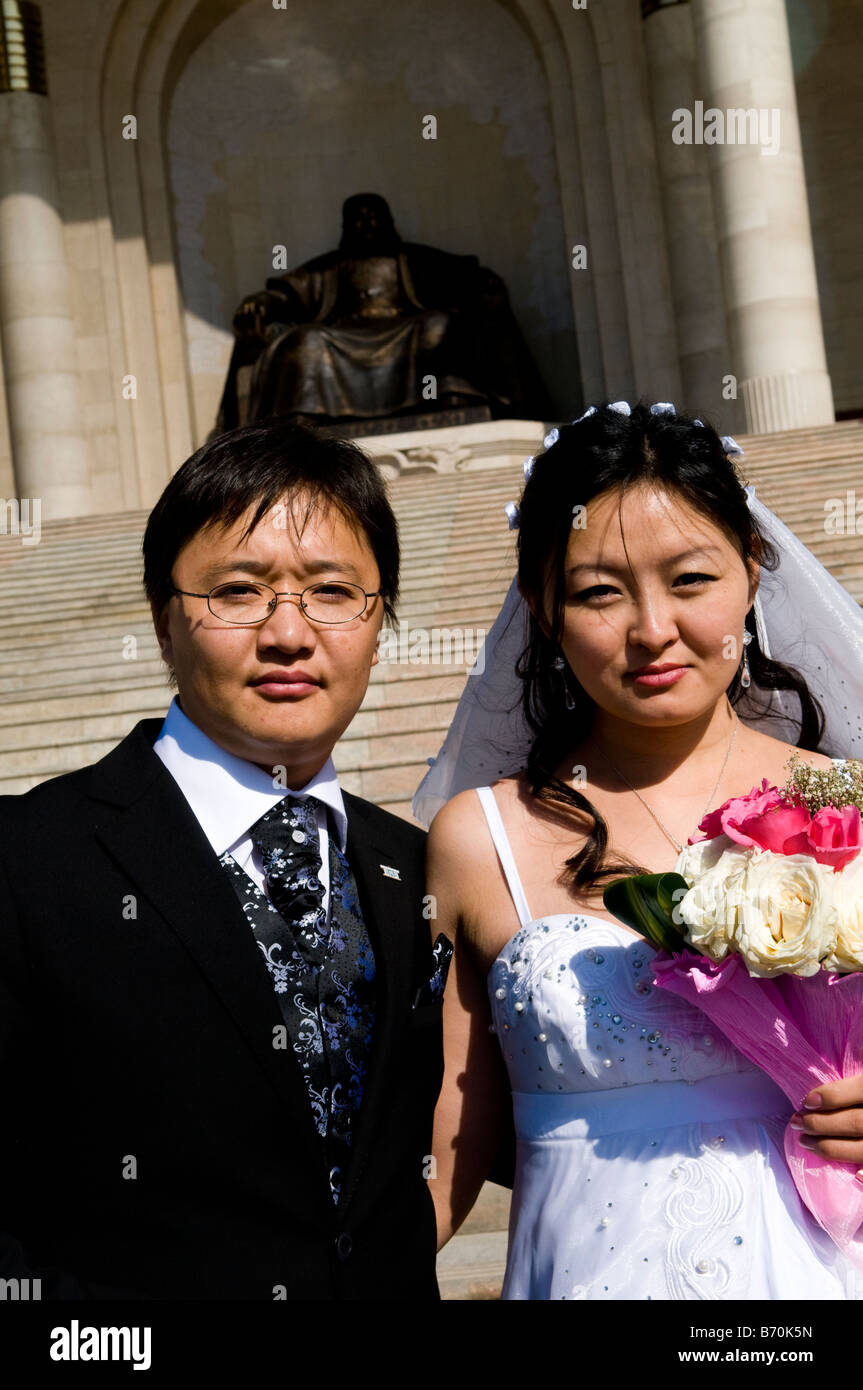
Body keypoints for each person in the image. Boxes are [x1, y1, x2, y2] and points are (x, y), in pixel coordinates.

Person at [417, 401, 863, 1300]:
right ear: (542, 610)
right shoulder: (478, 839)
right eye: (597, 591)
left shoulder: (845, 805)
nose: (651, 628)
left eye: (690, 579)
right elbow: (446, 1152)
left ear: (750, 572)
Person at [0, 418, 448, 1300]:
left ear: (378, 618)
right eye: (238, 592)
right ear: (165, 623)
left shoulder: (416, 869)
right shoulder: (27, 859)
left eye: (331, 592)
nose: (289, 633)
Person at [215, 192, 551, 433]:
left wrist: (484, 285)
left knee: (439, 326)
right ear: (345, 227)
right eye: (359, 219)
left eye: (374, 216)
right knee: (307, 341)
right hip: (343, 334)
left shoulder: (413, 259)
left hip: (406, 328)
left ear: (390, 222)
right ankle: (308, 419)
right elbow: (286, 293)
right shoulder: (331, 268)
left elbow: (462, 276)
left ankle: (452, 400)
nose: (367, 224)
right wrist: (262, 301)